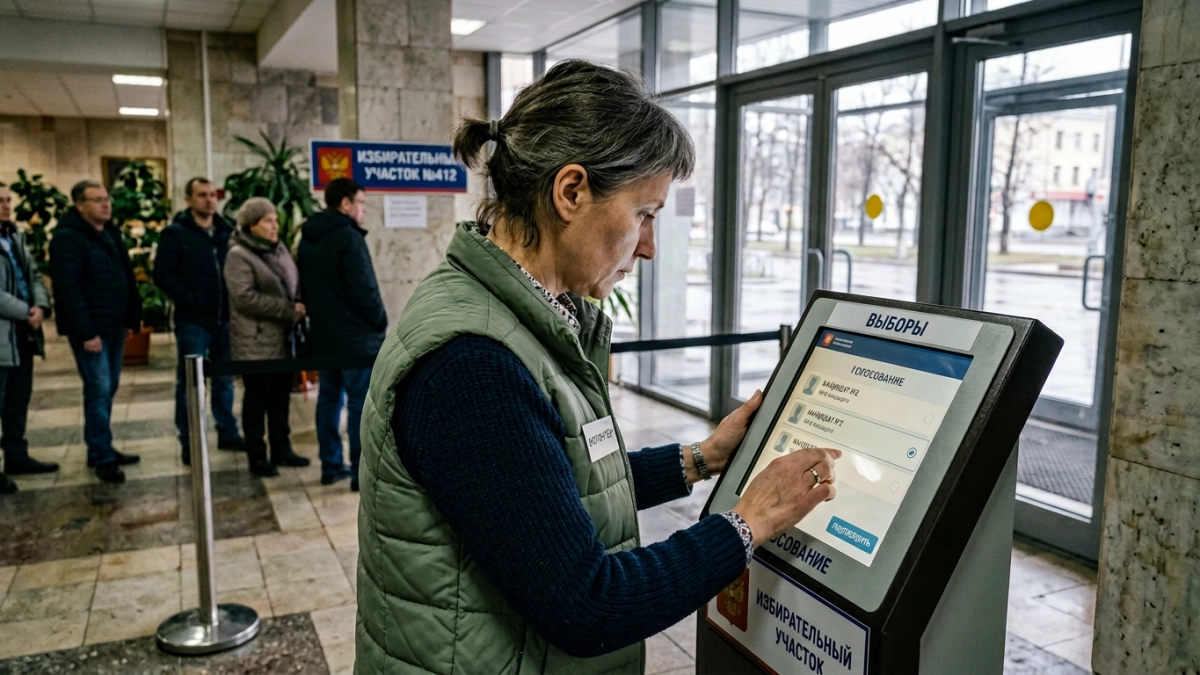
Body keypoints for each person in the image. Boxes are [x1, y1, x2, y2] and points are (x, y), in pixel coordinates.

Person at [354, 60, 841, 673]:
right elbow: (588, 603)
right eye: (644, 214)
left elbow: (550, 492)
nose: (650, 246)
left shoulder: (515, 318)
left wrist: (701, 459)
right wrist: (748, 522)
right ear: (571, 191)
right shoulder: (474, 366)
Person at [297, 177, 387, 490]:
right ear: (345, 203)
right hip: (355, 339)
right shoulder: (348, 238)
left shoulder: (307, 237)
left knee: (329, 399)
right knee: (360, 404)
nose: (363, 210)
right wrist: (379, 321)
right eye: (360, 202)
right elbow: (364, 289)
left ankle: (330, 465)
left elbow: (305, 288)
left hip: (323, 335)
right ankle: (359, 471)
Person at [50, 181, 141, 484]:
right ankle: (102, 455)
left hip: (113, 325)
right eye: (97, 200)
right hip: (91, 330)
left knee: (109, 387)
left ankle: (101, 447)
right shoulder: (67, 239)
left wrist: (132, 317)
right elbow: (67, 289)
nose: (106, 205)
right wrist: (86, 331)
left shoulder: (110, 233)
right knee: (99, 388)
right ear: (79, 205)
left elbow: (125, 276)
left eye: (107, 199)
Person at [153, 177, 243, 464]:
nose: (209, 200)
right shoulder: (176, 234)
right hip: (194, 320)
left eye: (212, 195)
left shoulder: (227, 232)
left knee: (225, 380)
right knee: (190, 383)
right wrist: (191, 296)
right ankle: (189, 440)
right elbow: (163, 275)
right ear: (189, 199)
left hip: (226, 319)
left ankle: (227, 432)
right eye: (202, 195)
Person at [224, 198, 312, 477]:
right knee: (257, 399)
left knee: (280, 398)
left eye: (276, 220)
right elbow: (244, 297)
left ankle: (281, 448)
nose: (275, 226)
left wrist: (298, 302)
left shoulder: (280, 249)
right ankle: (257, 455)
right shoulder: (238, 255)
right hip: (256, 340)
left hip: (284, 338)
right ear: (252, 225)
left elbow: (293, 282)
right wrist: (287, 310)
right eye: (268, 221)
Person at [0, 182, 58, 489]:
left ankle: (16, 455)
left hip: (22, 334)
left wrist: (41, 306)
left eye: (8, 200)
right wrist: (25, 311)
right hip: (3, 333)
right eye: (0, 201)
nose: (6, 206)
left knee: (18, 398)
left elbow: (33, 274)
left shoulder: (14, 236)